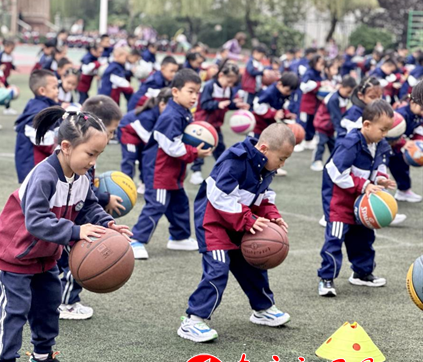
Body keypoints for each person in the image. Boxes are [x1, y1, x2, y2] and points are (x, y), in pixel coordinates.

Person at [0, 106, 131, 362]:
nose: (93, 162)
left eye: (98, 155)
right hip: (14, 255)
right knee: (14, 311)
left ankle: (41, 357)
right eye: (90, 154)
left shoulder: (81, 177)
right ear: (66, 147)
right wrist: (76, 232)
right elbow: (36, 221)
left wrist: (107, 225)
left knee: (48, 305)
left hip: (45, 257)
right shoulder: (44, 176)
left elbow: (88, 207)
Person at [177, 123, 295, 342]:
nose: (282, 164)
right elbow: (219, 197)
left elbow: (264, 197)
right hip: (213, 224)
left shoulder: (265, 166)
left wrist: (272, 215)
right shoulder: (235, 160)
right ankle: (193, 320)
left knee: (253, 265)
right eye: (281, 158)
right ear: (264, 149)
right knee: (218, 269)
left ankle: (262, 309)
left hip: (240, 223)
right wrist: (248, 219)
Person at [130, 69, 212, 260]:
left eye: (197, 92)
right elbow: (172, 147)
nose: (194, 97)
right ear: (175, 92)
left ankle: (179, 237)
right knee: (156, 204)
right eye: (190, 91)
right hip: (159, 171)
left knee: (179, 203)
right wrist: (195, 152)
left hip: (173, 172)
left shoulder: (183, 112)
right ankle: (135, 240)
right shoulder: (171, 116)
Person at [318, 100, 396, 297]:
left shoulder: (380, 144)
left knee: (364, 237)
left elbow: (379, 166)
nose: (385, 134)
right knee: (334, 239)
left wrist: (381, 179)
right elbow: (336, 172)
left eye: (388, 130)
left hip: (361, 202)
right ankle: (326, 278)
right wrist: (364, 185)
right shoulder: (350, 143)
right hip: (339, 203)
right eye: (383, 129)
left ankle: (362, 273)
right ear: (366, 125)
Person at [58, 94, 124, 320]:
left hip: (71, 219)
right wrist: (106, 198)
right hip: (66, 223)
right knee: (73, 262)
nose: (112, 136)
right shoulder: (54, 171)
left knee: (60, 263)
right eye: (111, 131)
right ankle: (66, 303)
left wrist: (106, 222)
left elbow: (87, 198)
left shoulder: (81, 163)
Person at [118, 88, 172, 194]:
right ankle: (125, 186)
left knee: (146, 157)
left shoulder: (160, 114)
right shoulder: (148, 117)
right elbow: (149, 141)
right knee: (130, 159)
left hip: (141, 136)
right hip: (128, 132)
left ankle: (143, 183)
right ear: (162, 104)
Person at [14, 69, 60, 183]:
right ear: (42, 90)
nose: (58, 91)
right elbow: (39, 137)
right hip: (33, 164)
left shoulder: (44, 105)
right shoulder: (38, 110)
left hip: (39, 164)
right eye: (54, 88)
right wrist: (60, 148)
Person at [311, 75, 356, 171]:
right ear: (341, 87)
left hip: (330, 127)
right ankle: (316, 161)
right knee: (321, 143)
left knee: (333, 145)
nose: (349, 94)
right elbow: (336, 117)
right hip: (322, 125)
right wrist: (342, 131)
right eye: (348, 91)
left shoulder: (345, 98)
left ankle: (335, 161)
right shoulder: (333, 99)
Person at [387, 82, 423, 203]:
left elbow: (419, 131)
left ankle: (403, 190)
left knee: (402, 168)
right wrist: (403, 143)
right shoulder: (401, 114)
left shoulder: (419, 115)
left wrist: (418, 143)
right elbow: (390, 133)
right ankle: (379, 191)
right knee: (380, 168)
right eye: (422, 108)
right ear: (412, 102)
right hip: (387, 147)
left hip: (399, 150)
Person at [297, 54, 325, 150]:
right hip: (307, 104)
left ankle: (308, 140)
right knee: (302, 122)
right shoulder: (309, 73)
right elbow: (304, 86)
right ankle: (298, 142)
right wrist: (319, 84)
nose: (322, 65)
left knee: (311, 123)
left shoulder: (319, 73)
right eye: (320, 62)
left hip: (315, 104)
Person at [0, 39, 17, 115]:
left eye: (13, 49)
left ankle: (7, 108)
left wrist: (14, 67)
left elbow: (10, 65)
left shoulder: (10, 56)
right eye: (11, 48)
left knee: (7, 91)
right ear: (5, 47)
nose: (12, 50)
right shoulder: (0, 55)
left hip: (5, 77)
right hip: (0, 78)